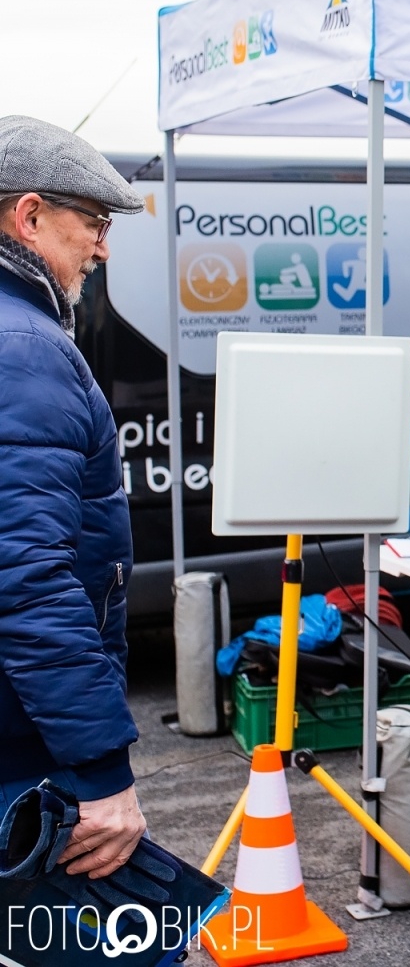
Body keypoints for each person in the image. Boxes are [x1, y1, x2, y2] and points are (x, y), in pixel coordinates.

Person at [0, 116, 147, 879]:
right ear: (29, 216)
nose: (102, 245)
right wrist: (101, 774)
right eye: (92, 222)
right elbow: (26, 578)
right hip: (22, 750)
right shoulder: (24, 347)